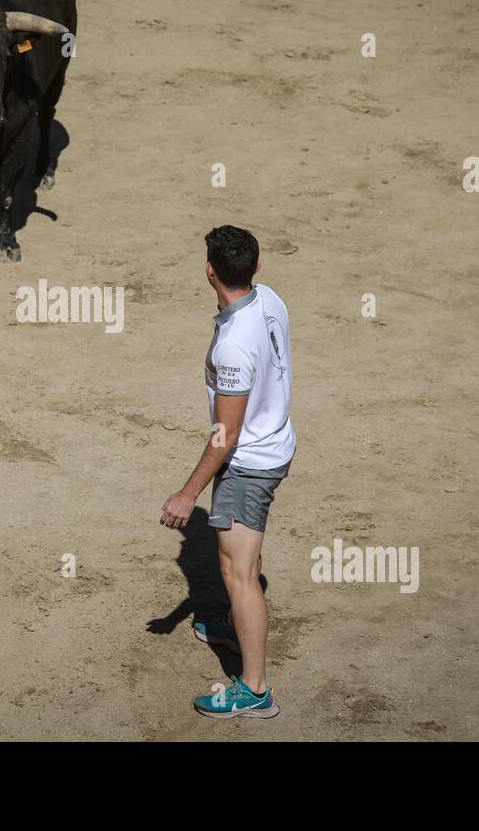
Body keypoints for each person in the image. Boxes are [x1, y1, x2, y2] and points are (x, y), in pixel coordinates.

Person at [160, 225, 296, 719]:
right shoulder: (271, 299)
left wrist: (186, 493)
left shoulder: (233, 346)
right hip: (274, 443)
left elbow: (227, 435)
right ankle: (236, 627)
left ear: (209, 271)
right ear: (256, 268)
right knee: (242, 565)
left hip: (249, 464)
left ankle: (255, 689)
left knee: (239, 574)